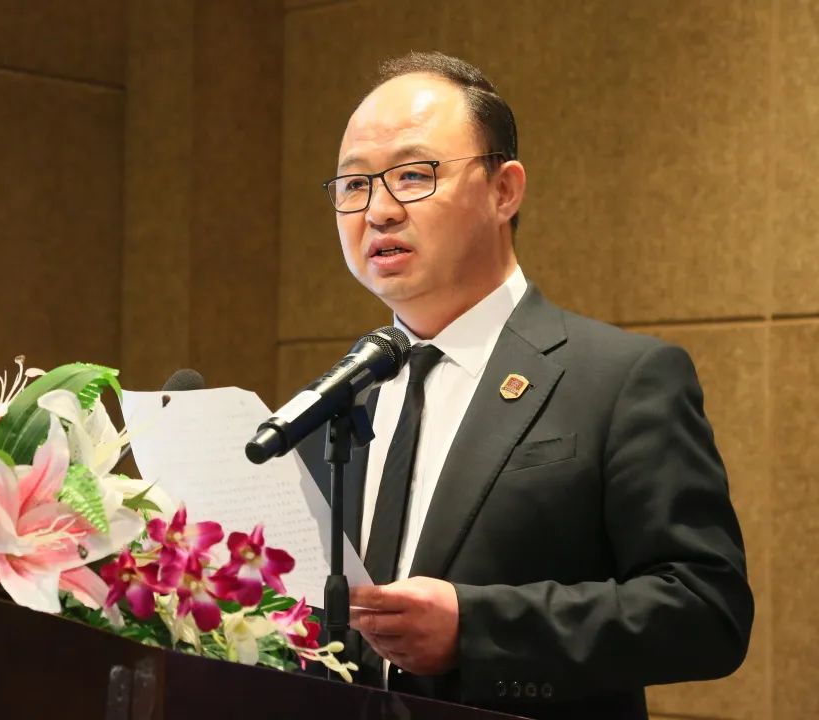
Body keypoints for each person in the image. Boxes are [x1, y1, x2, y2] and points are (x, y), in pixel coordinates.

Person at [297, 52, 752, 720]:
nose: (379, 211)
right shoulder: (334, 403)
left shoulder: (620, 380)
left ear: (503, 191)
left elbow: (707, 611)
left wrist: (478, 630)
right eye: (354, 185)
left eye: (413, 175)